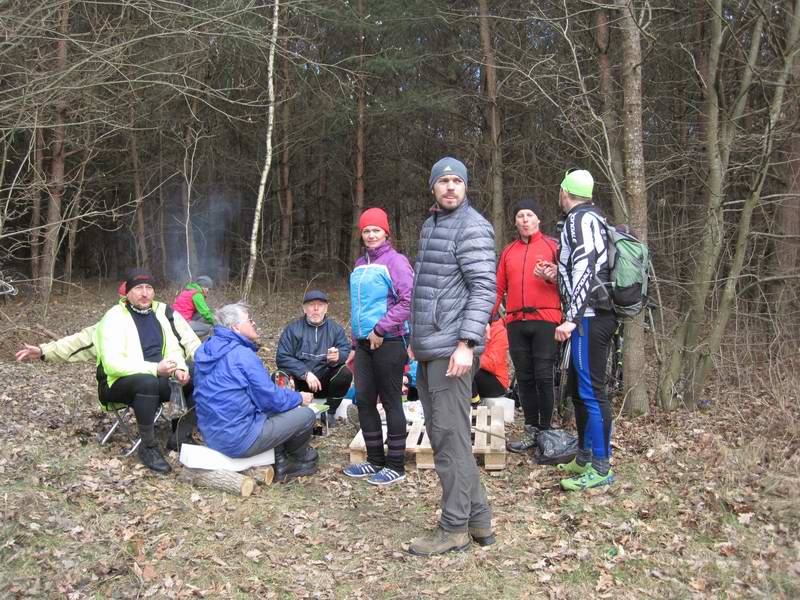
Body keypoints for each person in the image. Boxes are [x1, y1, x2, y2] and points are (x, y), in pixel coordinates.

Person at [407, 156, 496, 556]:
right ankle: (479, 520)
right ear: (432, 188)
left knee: (448, 442)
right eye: (442, 181)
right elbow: (429, 289)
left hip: (452, 351)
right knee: (452, 438)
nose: (449, 187)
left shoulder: (472, 227)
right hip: (429, 347)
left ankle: (454, 527)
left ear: (465, 188)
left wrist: (467, 344)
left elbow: (483, 290)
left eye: (456, 181)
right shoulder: (432, 226)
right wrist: (415, 336)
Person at [192, 303, 318, 482]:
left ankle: (279, 457)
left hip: (212, 435)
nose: (254, 323)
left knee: (275, 406)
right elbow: (270, 399)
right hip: (238, 439)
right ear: (236, 327)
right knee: (306, 415)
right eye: (250, 320)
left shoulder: (205, 349)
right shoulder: (242, 355)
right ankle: (294, 460)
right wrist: (299, 397)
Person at [94, 269, 195, 473]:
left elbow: (173, 350)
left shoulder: (158, 315)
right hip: (116, 384)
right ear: (128, 293)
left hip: (158, 376)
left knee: (197, 375)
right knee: (146, 382)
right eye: (138, 288)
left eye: (149, 288)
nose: (145, 293)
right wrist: (154, 368)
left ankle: (179, 437)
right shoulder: (113, 318)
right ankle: (148, 448)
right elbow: (113, 364)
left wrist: (179, 369)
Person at [554, 168, 617, 490]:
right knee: (581, 390)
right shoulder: (591, 219)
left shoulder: (580, 221)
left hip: (590, 318)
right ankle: (585, 455)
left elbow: (585, 268)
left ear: (565, 191)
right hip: (589, 314)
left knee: (593, 392)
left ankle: (602, 466)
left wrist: (572, 318)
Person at [342, 207, 413, 486]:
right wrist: (353, 342)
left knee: (391, 400)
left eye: (376, 230)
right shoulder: (360, 264)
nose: (371, 235)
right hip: (362, 345)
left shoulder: (396, 262)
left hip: (390, 341)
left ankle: (396, 464)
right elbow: (358, 307)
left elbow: (408, 300)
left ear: (386, 232)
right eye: (366, 230)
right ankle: (374, 460)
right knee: (364, 400)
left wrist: (381, 329)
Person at [493, 200, 562, 453]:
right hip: (515, 321)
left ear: (538, 220)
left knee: (544, 375)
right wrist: (489, 319)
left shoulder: (553, 246)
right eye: (520, 215)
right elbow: (498, 288)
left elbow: (569, 283)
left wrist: (553, 277)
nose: (524, 219)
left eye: (529, 215)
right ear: (515, 221)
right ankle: (531, 430)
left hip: (545, 320)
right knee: (524, 377)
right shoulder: (509, 251)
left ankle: (546, 430)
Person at [276, 290, 352, 424]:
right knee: (280, 375)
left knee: (344, 372)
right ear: (304, 309)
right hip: (300, 383)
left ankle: (329, 413)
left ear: (326, 308)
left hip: (325, 383)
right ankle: (287, 414)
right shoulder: (293, 329)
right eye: (311, 305)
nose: (316, 309)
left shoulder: (336, 329)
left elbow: (345, 350)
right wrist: (305, 373)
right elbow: (282, 356)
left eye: (320, 305)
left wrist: (338, 356)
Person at [472, 312, 509, 402]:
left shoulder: (500, 331)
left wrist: (471, 356)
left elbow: (492, 364)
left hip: (497, 382)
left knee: (467, 369)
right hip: (480, 373)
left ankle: (475, 404)